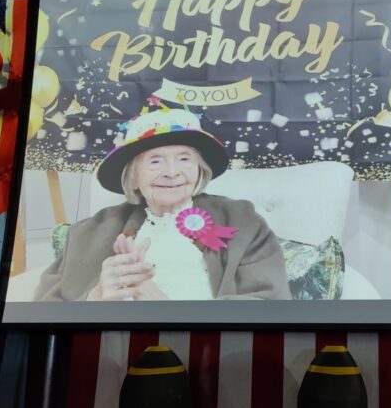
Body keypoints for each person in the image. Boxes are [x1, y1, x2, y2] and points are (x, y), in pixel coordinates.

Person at [35, 106, 291, 301]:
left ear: (200, 171)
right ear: (133, 177)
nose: (172, 172)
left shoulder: (243, 221)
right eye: (155, 161)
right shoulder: (88, 232)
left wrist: (157, 302)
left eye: (184, 159)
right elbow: (41, 313)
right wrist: (96, 297)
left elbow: (269, 305)